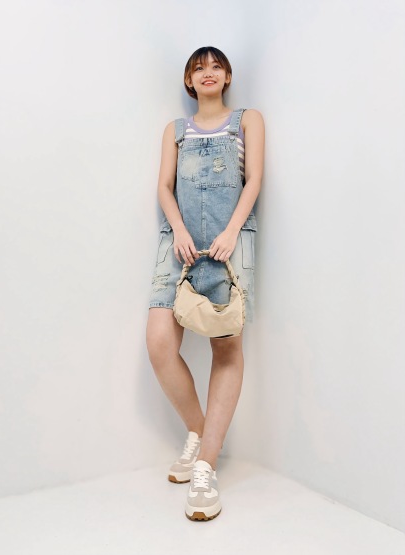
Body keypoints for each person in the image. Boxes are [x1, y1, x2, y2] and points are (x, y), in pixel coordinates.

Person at [146, 46, 265, 521]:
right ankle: (200, 432)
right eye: (199, 68)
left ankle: (206, 466)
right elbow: (163, 187)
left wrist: (232, 232)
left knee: (226, 348)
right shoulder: (175, 130)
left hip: (228, 244)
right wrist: (177, 229)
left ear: (227, 76)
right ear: (189, 81)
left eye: (216, 66)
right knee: (159, 343)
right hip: (178, 244)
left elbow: (253, 180)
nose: (208, 73)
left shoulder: (247, 121)